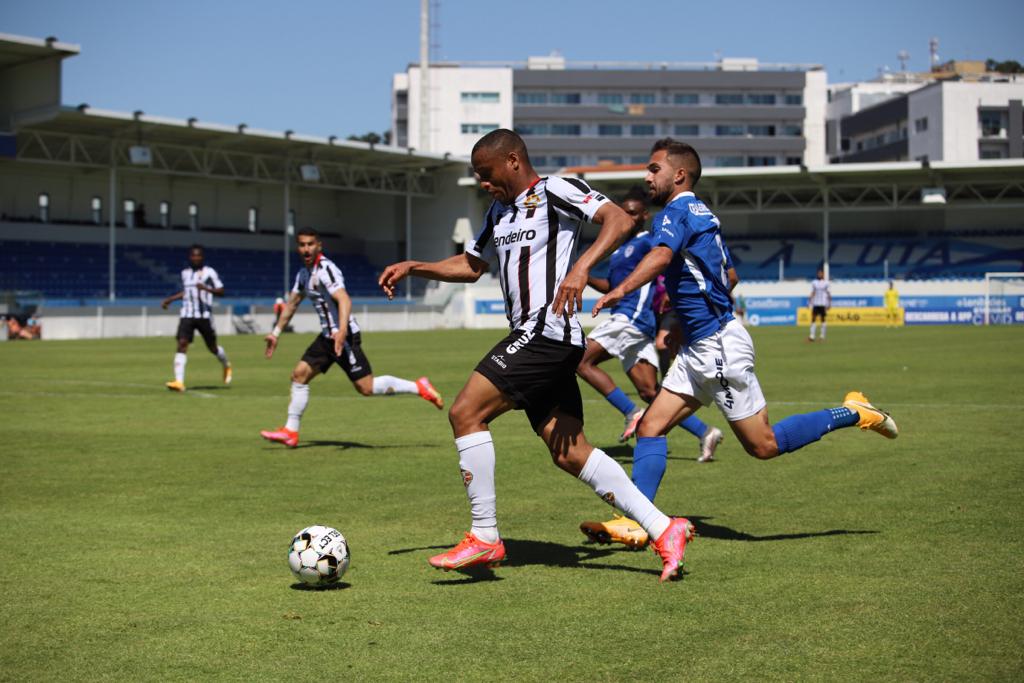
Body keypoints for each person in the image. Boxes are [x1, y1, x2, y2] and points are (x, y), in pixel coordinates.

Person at [379, 129, 694, 582]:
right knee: (570, 452)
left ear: (512, 161)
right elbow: (472, 266)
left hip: (546, 331)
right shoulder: (497, 212)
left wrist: (581, 268)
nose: (483, 184)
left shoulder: (555, 189)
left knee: (465, 412)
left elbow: (618, 222)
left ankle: (484, 536)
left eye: (486, 174)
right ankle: (665, 530)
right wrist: (416, 267)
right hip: (537, 337)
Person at [588, 138, 899, 549]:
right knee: (652, 425)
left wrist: (619, 290)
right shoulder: (702, 215)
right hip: (701, 344)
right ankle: (638, 520)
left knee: (763, 446)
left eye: (653, 169)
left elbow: (663, 258)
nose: (647, 177)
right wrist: (686, 320)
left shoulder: (675, 212)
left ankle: (853, 411)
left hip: (717, 347)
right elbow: (729, 277)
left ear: (678, 175)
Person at [260, 228, 444, 449]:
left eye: (310, 244)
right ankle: (291, 431)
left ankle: (419, 387)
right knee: (299, 376)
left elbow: (344, 299)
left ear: (319, 245)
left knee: (366, 388)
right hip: (327, 337)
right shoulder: (303, 274)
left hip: (344, 336)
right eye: (302, 244)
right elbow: (292, 304)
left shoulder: (326, 270)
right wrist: (275, 333)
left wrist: (342, 332)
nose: (306, 249)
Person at [575, 185, 722, 454]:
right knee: (650, 391)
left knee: (580, 359)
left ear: (643, 216)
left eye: (632, 214)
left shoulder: (646, 241)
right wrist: (584, 277)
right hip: (635, 324)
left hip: (631, 318)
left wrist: (671, 297)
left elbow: (665, 259)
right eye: (624, 213)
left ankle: (631, 412)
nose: (627, 218)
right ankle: (706, 432)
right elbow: (612, 285)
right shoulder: (620, 250)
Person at [161, 245, 232, 391]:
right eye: (193, 255)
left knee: (212, 348)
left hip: (204, 316)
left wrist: (206, 288)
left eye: (198, 255)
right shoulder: (185, 273)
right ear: (190, 257)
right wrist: (171, 299)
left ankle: (226, 364)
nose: (196, 258)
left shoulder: (209, 272)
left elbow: (221, 291)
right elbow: (187, 292)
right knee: (182, 343)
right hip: (187, 314)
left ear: (202, 257)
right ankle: (179, 382)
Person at [808, 267, 831, 342]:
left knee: (823, 320)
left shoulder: (826, 283)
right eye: (818, 273)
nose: (819, 274)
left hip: (823, 304)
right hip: (816, 303)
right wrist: (809, 301)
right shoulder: (814, 282)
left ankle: (822, 337)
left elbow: (828, 293)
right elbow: (813, 292)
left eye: (821, 273)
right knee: (813, 319)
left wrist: (829, 304)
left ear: (823, 274)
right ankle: (812, 337)